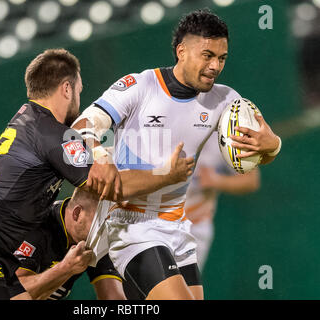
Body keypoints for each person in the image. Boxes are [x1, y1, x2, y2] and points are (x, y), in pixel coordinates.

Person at [0, 48, 195, 300]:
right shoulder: (54, 134)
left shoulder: (30, 122)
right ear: (66, 89)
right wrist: (168, 176)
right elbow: (113, 187)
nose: (79, 100)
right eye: (79, 91)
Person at [71, 9, 282, 300]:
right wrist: (101, 157)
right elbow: (81, 126)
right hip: (133, 227)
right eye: (207, 55)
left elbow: (254, 159)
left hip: (179, 228)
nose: (215, 66)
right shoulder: (140, 86)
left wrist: (273, 146)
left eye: (221, 58)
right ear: (181, 51)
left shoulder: (226, 100)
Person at [13, 188, 126, 300]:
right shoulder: (36, 225)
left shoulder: (99, 240)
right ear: (77, 214)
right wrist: (66, 267)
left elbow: (113, 297)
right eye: (102, 223)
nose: (108, 232)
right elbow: (13, 294)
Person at [185, 131, 261, 272]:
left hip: (193, 227)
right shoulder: (161, 115)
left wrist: (216, 180)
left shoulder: (228, 128)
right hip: (149, 224)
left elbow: (251, 180)